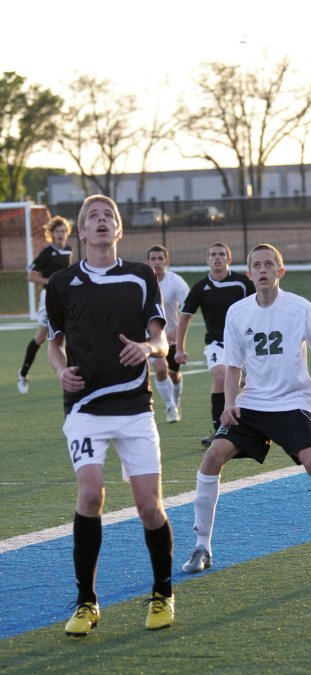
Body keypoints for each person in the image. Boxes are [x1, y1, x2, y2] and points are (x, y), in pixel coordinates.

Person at [182, 243, 311, 574]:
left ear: (280, 271)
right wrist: (229, 404)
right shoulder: (237, 313)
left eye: (269, 264)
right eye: (257, 266)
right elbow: (233, 367)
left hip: (291, 402)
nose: (263, 270)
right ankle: (201, 547)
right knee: (212, 457)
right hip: (252, 404)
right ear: (249, 274)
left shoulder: (300, 308)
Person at [46, 195, 175, 635]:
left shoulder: (140, 277)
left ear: (118, 230)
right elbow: (54, 344)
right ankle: (86, 602)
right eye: (93, 217)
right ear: (81, 232)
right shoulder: (61, 284)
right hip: (84, 408)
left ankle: (163, 592)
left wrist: (146, 348)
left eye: (109, 217)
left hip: (134, 408)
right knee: (90, 495)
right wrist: (62, 372)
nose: (102, 222)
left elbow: (163, 342)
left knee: (149, 507)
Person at [175, 242, 255, 448]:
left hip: (245, 344)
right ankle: (220, 430)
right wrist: (179, 349)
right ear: (207, 259)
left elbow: (259, 307)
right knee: (221, 375)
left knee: (249, 385)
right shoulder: (200, 287)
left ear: (229, 259)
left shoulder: (242, 283)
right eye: (213, 254)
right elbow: (184, 318)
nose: (217, 258)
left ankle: (252, 427)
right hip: (216, 344)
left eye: (221, 254)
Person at [17, 216, 72, 394]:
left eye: (63, 231)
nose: (61, 234)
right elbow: (30, 275)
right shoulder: (47, 253)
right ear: (52, 234)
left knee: (67, 336)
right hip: (48, 298)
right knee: (41, 338)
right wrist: (51, 282)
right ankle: (23, 373)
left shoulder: (68, 251)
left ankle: (68, 377)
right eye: (57, 231)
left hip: (65, 298)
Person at [147, 245, 190, 423]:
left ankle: (176, 400)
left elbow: (188, 309)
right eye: (153, 259)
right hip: (151, 337)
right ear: (147, 262)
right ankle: (170, 406)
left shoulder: (176, 281)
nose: (157, 262)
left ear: (167, 261)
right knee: (160, 368)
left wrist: (175, 331)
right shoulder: (143, 283)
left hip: (172, 336)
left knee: (174, 373)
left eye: (160, 259)